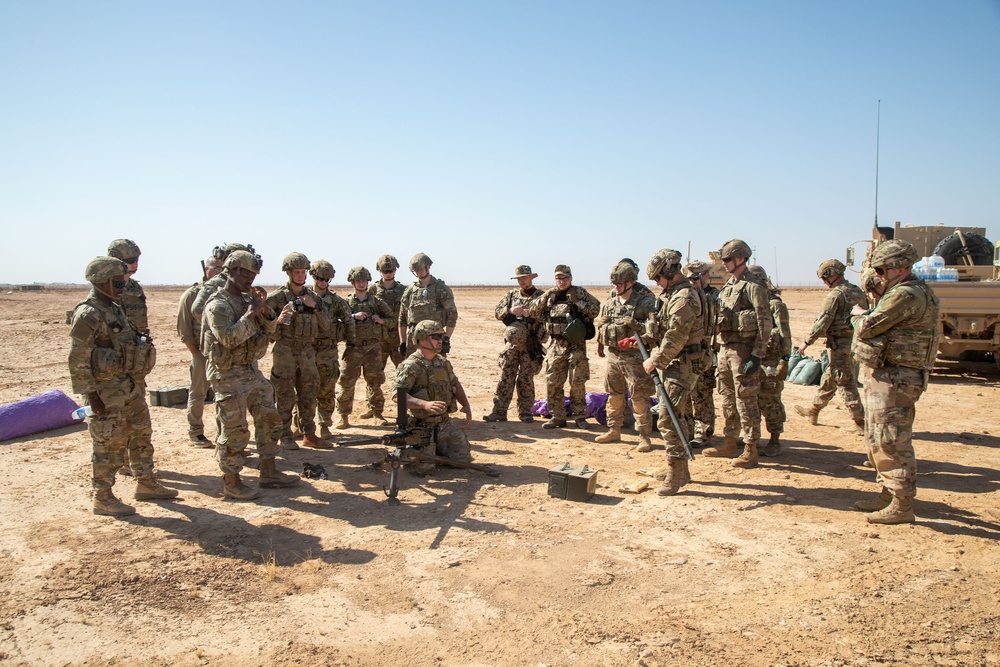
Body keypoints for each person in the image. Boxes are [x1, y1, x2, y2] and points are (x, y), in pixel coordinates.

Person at [69, 256, 175, 516]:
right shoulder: (88, 313)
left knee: (141, 433)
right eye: (117, 282)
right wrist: (92, 397)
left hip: (127, 385)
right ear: (101, 281)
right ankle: (103, 496)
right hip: (104, 393)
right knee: (107, 444)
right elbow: (78, 359)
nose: (121, 287)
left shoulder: (114, 308)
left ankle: (146, 482)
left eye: (123, 282)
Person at [850, 240, 939, 524]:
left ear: (899, 267)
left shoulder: (906, 294)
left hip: (896, 377)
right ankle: (888, 493)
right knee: (879, 437)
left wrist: (859, 316)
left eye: (882, 269)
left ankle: (901, 504)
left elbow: (868, 327)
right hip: (891, 374)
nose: (878, 275)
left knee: (891, 439)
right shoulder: (908, 291)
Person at [202, 250, 301, 499]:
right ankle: (232, 482)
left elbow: (269, 332)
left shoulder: (248, 299)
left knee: (269, 419)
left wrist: (265, 312)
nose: (250, 278)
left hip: (251, 371)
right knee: (234, 430)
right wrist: (251, 313)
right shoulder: (218, 305)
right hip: (227, 374)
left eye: (253, 274)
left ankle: (269, 471)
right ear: (231, 271)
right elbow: (228, 338)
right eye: (246, 273)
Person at [701, 239, 772, 468]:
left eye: (728, 259)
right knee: (728, 397)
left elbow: (765, 323)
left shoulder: (753, 286)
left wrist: (757, 355)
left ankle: (750, 448)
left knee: (746, 399)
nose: (724, 263)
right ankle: (730, 441)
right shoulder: (730, 286)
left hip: (743, 350)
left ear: (740, 259)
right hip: (726, 347)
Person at [639, 249, 703, 495]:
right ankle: (680, 470)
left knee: (669, 418)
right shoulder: (671, 295)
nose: (656, 283)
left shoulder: (684, 297)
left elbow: (677, 335)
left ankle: (675, 475)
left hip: (683, 363)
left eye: (658, 278)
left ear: (668, 271)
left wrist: (656, 359)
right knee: (678, 416)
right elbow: (663, 329)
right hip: (674, 363)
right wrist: (644, 338)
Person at [794, 259, 868, 430]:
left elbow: (823, 321)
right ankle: (814, 409)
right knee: (830, 378)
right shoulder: (858, 292)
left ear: (830, 276)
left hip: (840, 345)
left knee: (845, 382)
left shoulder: (836, 295)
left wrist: (806, 342)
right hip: (855, 343)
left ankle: (860, 422)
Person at [393, 320, 473, 475]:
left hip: (444, 424)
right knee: (422, 469)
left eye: (441, 337)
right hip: (421, 427)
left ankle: (437, 449)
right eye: (435, 337)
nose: (440, 341)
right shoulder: (410, 366)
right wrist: (424, 405)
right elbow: (398, 396)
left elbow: (455, 384)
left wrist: (466, 405)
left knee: (463, 461)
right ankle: (423, 450)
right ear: (422, 339)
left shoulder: (442, 362)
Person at [266, 252, 329, 450]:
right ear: (288, 273)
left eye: (303, 272)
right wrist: (277, 320)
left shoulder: (311, 297)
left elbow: (326, 326)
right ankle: (285, 435)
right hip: (285, 351)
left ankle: (309, 434)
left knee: (309, 393)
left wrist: (316, 308)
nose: (301, 275)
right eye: (296, 272)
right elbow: (264, 329)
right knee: (284, 394)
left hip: (307, 351)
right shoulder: (277, 298)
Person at [594, 261, 658, 450]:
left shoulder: (645, 303)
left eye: (620, 283)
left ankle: (644, 436)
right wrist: (600, 344)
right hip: (614, 356)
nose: (616, 287)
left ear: (630, 282)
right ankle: (614, 429)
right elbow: (602, 324)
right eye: (614, 283)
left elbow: (655, 331)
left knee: (639, 396)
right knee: (614, 394)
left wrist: (636, 326)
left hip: (635, 358)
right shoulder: (611, 302)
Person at [532, 264, 601, 430]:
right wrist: (542, 300)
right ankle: (557, 416)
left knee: (577, 381)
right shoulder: (550, 295)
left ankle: (580, 417)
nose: (561, 281)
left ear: (570, 278)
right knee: (553, 380)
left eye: (564, 278)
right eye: (558, 278)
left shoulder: (579, 292)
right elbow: (535, 314)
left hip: (576, 343)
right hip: (556, 343)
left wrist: (578, 302)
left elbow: (595, 309)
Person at [106, 239, 151, 478]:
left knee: (137, 415)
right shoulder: (107, 290)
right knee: (116, 418)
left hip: (136, 363)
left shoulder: (133, 288)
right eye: (130, 261)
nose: (135, 265)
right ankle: (119, 461)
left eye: (136, 260)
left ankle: (136, 463)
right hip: (114, 366)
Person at [483, 265, 547, 423]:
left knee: (525, 378)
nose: (522, 281)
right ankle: (499, 411)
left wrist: (531, 314)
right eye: (519, 278)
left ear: (532, 278)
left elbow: (548, 317)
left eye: (524, 278)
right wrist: (510, 311)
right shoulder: (511, 295)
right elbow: (498, 312)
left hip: (530, 345)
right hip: (511, 345)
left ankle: (525, 412)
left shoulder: (541, 296)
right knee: (505, 377)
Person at [336, 267, 393, 428]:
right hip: (353, 349)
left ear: (368, 282)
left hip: (373, 349)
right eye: (358, 281)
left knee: (375, 382)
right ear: (353, 282)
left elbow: (392, 319)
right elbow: (335, 323)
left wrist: (381, 321)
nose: (361, 284)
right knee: (347, 383)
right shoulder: (346, 303)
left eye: (364, 281)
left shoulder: (376, 302)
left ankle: (377, 412)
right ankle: (343, 416)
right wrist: (353, 317)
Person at [177, 253, 225, 447]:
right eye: (216, 269)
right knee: (198, 394)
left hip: (223, 353)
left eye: (223, 269)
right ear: (207, 269)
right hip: (202, 353)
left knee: (224, 395)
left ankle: (224, 432)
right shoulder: (192, 294)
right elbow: (184, 329)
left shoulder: (226, 292)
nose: (220, 273)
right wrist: (197, 354)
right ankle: (195, 432)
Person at [746, 265, 791, 457]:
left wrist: (785, 360)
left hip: (770, 361)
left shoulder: (775, 306)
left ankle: (774, 440)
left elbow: (785, 335)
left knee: (771, 401)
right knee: (751, 402)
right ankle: (752, 440)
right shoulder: (750, 304)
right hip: (752, 360)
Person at [310, 260, 355, 439]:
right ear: (313, 276)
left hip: (327, 351)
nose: (323, 282)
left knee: (326, 389)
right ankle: (302, 425)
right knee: (304, 390)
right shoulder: (302, 298)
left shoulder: (336, 301)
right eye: (320, 278)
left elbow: (349, 321)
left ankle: (325, 424)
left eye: (327, 279)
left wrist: (350, 344)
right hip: (305, 351)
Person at [682, 260, 720, 448]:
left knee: (702, 393)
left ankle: (703, 431)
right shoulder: (687, 296)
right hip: (687, 353)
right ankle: (687, 430)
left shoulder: (714, 297)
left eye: (694, 278)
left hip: (705, 353)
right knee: (686, 393)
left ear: (705, 276)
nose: (692, 282)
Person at [398, 253, 458, 357]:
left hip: (435, 338)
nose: (419, 272)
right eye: (416, 270)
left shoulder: (441, 289)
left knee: (437, 370)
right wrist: (403, 342)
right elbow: (402, 317)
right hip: (414, 339)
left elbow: (452, 314)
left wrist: (446, 338)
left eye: (421, 269)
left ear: (428, 266)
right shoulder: (410, 290)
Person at [370, 254, 406, 373]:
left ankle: (401, 393)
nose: (388, 273)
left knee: (403, 372)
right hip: (379, 338)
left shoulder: (404, 290)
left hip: (398, 337)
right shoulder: (373, 290)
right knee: (375, 374)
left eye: (390, 270)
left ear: (395, 270)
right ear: (380, 271)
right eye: (385, 271)